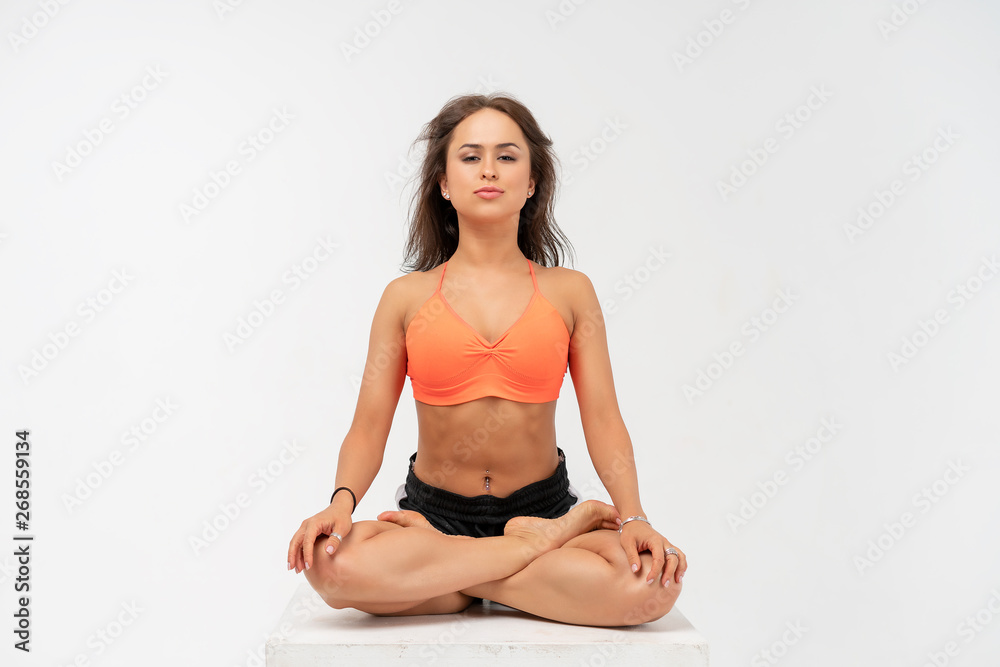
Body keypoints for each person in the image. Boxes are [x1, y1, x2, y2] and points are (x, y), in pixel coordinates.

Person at [286, 92, 687, 627]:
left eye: (507, 155)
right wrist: (340, 504)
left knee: (652, 590)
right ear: (444, 184)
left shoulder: (570, 292)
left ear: (532, 182)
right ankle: (538, 557)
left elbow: (604, 417)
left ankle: (450, 581)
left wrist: (633, 514)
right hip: (433, 516)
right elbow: (367, 427)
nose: (489, 170)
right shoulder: (405, 298)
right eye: (470, 157)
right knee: (329, 568)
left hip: (540, 508)